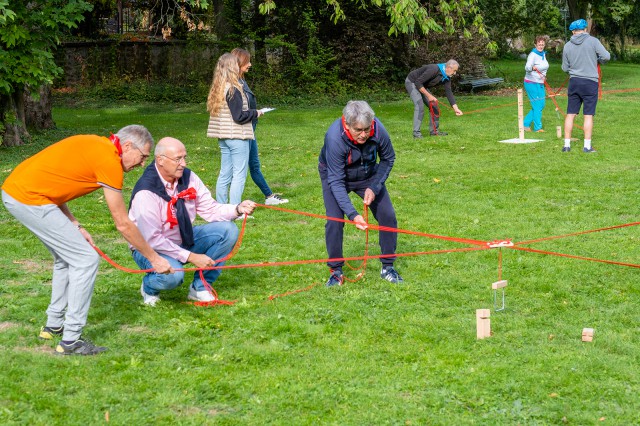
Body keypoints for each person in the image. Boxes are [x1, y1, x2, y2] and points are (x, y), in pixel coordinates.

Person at [1, 125, 172, 356]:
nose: (142, 164)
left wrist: (74, 224)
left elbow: (55, 182)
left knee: (65, 259)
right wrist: (154, 259)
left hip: (20, 191)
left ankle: (54, 325)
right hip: (28, 197)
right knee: (86, 259)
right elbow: (122, 222)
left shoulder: (96, 144)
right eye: (142, 157)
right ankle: (72, 341)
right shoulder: (110, 162)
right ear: (128, 146)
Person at [128, 137, 256, 305]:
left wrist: (237, 209)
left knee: (228, 230)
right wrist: (191, 256)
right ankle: (149, 287)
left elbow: (210, 209)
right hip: (151, 248)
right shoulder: (146, 192)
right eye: (178, 159)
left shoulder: (188, 178)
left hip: (183, 236)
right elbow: (153, 239)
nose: (183, 164)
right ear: (160, 160)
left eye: (184, 157)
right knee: (174, 276)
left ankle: (200, 287)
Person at [319, 100, 403, 286]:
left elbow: (388, 158)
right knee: (334, 221)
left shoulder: (379, 130)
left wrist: (374, 186)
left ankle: (387, 267)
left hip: (367, 174)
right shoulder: (334, 138)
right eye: (358, 130)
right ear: (346, 124)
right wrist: (353, 214)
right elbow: (336, 181)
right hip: (335, 175)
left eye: (367, 129)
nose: (364, 134)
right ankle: (336, 271)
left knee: (388, 215)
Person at [230, 48, 289, 206]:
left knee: (254, 164)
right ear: (238, 63)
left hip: (250, 128)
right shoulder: (233, 83)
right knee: (236, 172)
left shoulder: (241, 80)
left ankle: (269, 196)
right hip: (242, 131)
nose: (250, 64)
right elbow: (238, 113)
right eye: (247, 61)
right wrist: (256, 113)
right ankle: (231, 206)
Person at [207, 52, 263, 208]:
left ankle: (221, 208)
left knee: (225, 173)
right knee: (239, 174)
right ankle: (235, 210)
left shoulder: (219, 88)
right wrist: (256, 112)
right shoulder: (233, 89)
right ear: (233, 67)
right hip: (237, 137)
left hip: (224, 137)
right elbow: (239, 116)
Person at [561, 19, 610, 153]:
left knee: (570, 114)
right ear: (585, 29)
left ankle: (566, 146)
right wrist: (597, 60)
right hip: (590, 82)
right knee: (588, 115)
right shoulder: (593, 41)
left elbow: (565, 67)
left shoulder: (567, 46)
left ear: (572, 31)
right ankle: (587, 147)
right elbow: (606, 56)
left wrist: (573, 71)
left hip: (574, 82)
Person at [405, 59, 463, 138]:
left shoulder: (447, 77)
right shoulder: (433, 69)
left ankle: (434, 131)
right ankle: (416, 133)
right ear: (449, 67)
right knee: (419, 106)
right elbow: (418, 83)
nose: (455, 73)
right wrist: (429, 96)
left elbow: (449, 92)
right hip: (412, 82)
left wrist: (456, 108)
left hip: (422, 85)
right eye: (454, 70)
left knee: (434, 106)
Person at [523, 36, 549, 132]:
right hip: (531, 82)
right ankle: (538, 127)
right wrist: (532, 68)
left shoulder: (542, 54)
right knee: (537, 105)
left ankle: (525, 124)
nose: (541, 46)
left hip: (540, 82)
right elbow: (527, 67)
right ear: (535, 45)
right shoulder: (532, 55)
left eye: (542, 44)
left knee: (541, 105)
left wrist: (543, 76)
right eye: (539, 44)